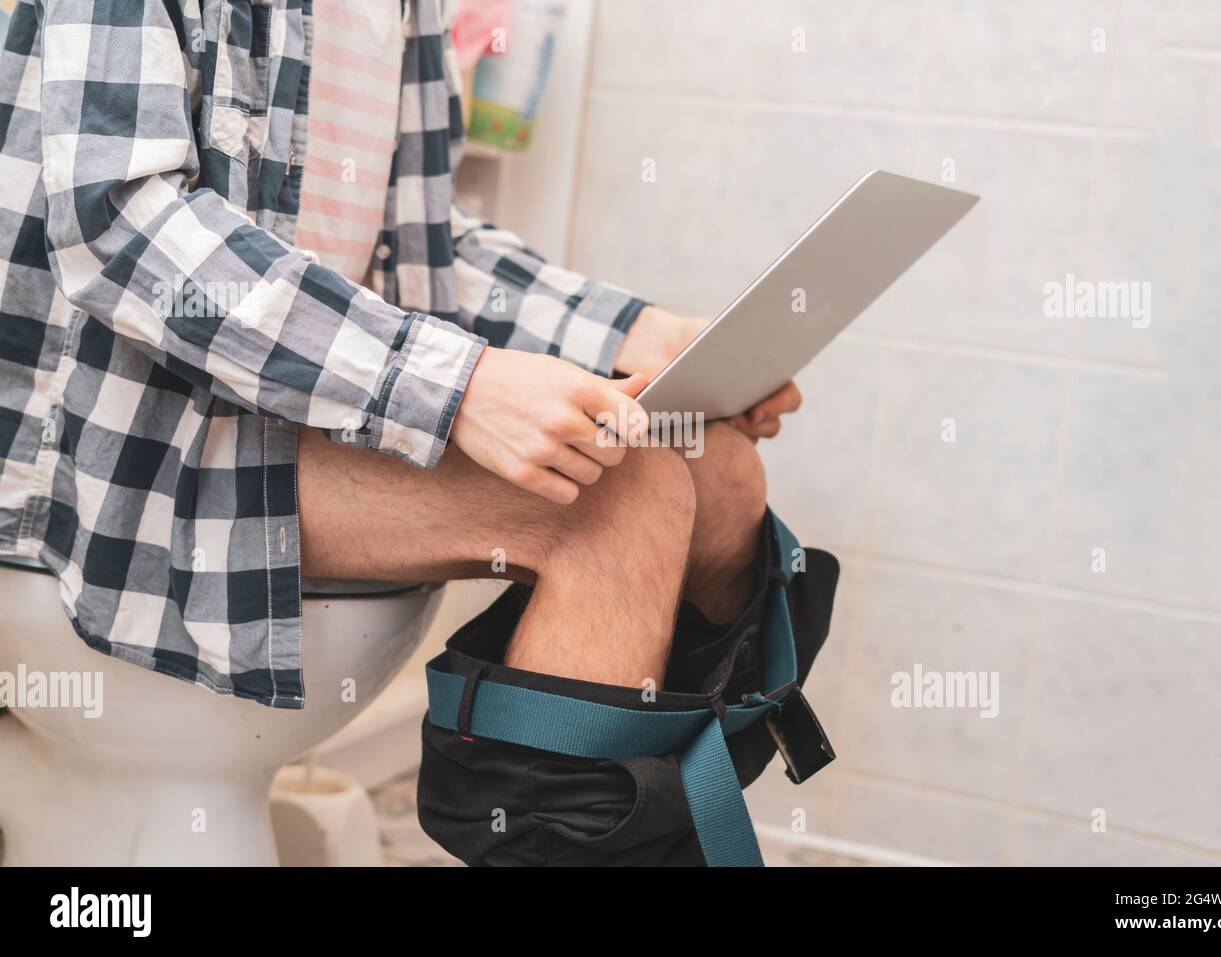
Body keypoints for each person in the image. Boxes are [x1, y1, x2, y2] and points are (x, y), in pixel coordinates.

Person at [0, 0, 799, 712]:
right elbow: (122, 225)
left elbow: (419, 244)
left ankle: (648, 821)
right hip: (130, 448)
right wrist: (460, 383)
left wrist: (639, 332)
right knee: (620, 497)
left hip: (311, 410)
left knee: (722, 474)